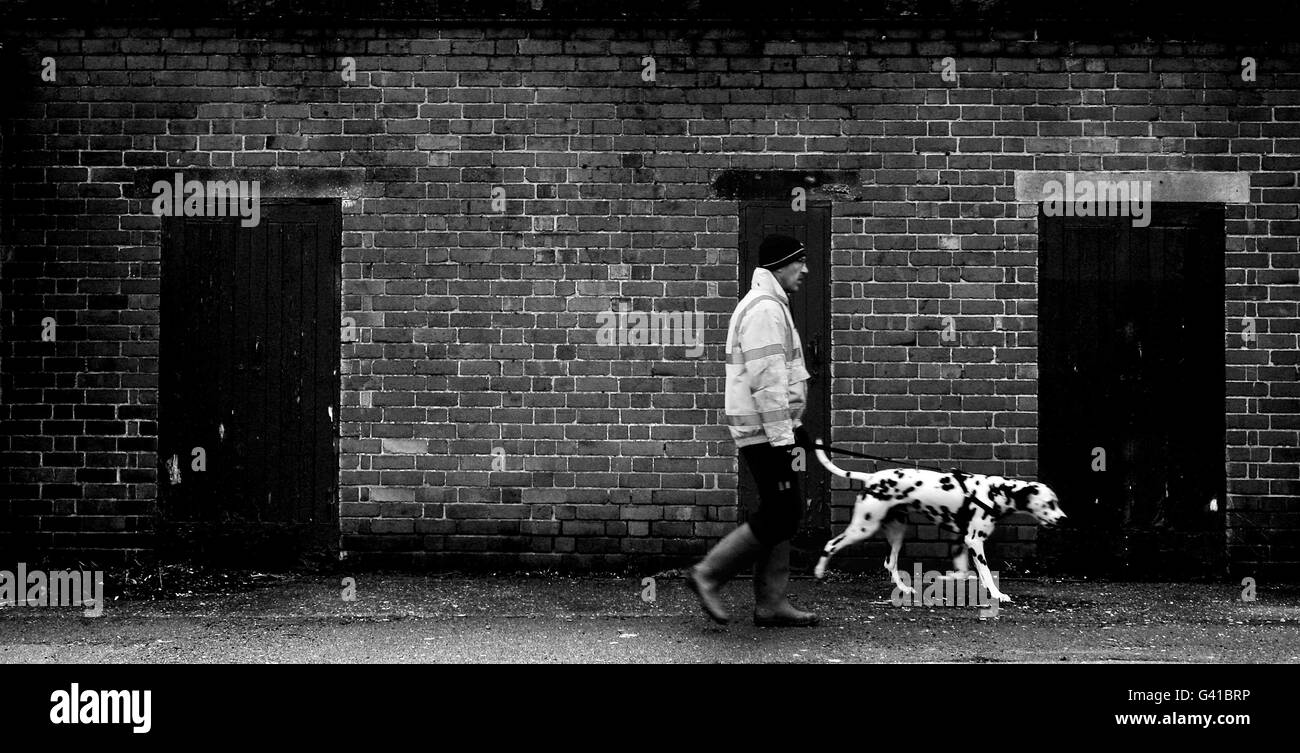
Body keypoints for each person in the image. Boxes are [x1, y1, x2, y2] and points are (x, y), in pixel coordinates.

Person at [685, 234, 818, 627]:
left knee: (781, 511)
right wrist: (783, 437)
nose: (805, 270)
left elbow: (778, 380)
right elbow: (767, 380)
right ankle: (708, 574)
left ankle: (771, 602)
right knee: (783, 514)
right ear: (782, 265)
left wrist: (793, 427)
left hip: (771, 430)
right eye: (800, 262)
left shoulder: (770, 304)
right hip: (765, 434)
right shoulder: (764, 309)